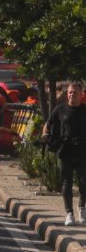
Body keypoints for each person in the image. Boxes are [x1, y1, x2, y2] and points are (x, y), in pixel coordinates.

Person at [45, 82, 86, 226]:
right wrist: (47, 137)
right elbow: (48, 124)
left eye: (75, 92)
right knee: (66, 183)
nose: (71, 95)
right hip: (66, 151)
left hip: (83, 152)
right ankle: (69, 213)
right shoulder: (60, 109)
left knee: (83, 182)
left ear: (81, 94)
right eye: (69, 92)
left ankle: (82, 207)